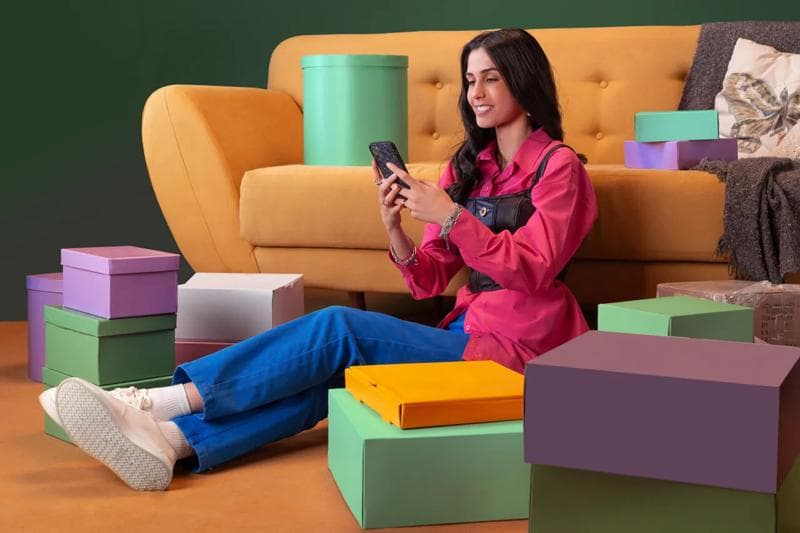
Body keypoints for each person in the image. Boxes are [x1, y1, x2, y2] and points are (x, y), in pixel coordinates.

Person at [40, 28, 598, 491]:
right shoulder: (466, 170)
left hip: (524, 355)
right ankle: (174, 442)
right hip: (470, 334)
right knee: (334, 378)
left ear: (524, 82)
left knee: (337, 328)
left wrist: (450, 215)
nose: (476, 93)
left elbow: (534, 267)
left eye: (491, 78)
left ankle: (154, 402)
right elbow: (429, 282)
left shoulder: (560, 170)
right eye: (471, 80)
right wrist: (397, 230)